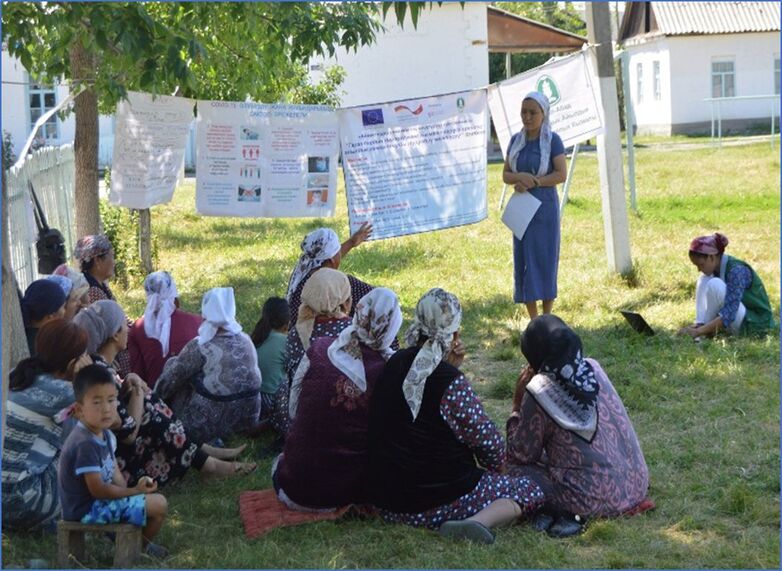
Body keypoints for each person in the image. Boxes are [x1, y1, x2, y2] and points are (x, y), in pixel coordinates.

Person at [368, 288, 544, 544]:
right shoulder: (450, 384)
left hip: (387, 501)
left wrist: (450, 368)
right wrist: (501, 471)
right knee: (531, 489)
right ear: (455, 333)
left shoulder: (394, 363)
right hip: (435, 500)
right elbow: (490, 444)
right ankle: (476, 522)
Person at [74, 300, 255, 486]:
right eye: (123, 325)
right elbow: (128, 433)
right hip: (121, 458)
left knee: (151, 401)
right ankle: (208, 463)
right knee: (150, 409)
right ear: (114, 334)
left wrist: (135, 386)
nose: (127, 329)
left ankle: (204, 454)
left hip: (121, 441)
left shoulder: (101, 365)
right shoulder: (101, 373)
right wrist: (138, 392)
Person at [506, 314, 650, 537]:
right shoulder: (593, 369)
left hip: (592, 500)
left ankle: (547, 510)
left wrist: (516, 405)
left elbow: (520, 454)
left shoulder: (539, 391)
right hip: (636, 483)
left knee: (508, 467)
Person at [273, 288, 403, 510]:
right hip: (345, 491)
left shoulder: (319, 348)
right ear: (392, 326)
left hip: (292, 484)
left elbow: (294, 410)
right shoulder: (390, 371)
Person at [58, 364, 169, 559]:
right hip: (85, 510)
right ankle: (138, 549)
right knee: (159, 504)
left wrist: (134, 491)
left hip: (98, 503)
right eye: (97, 402)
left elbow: (116, 476)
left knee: (150, 502)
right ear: (79, 409)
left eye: (111, 400)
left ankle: (135, 545)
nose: (107, 409)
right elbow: (98, 490)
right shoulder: (84, 443)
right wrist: (134, 493)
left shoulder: (106, 435)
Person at [2, 319, 91, 531]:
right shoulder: (65, 393)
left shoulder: (15, 375)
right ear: (73, 362)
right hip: (19, 501)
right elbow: (109, 421)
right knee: (95, 442)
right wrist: (85, 379)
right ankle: (111, 513)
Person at [155, 288, 262, 444]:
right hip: (249, 418)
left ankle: (203, 436)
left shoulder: (200, 346)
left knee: (175, 366)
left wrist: (155, 399)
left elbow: (171, 379)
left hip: (212, 422)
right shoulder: (245, 339)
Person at [502, 92, 567, 319]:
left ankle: (547, 315)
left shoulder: (553, 140)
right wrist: (520, 177)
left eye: (532, 112)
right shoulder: (516, 141)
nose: (527, 117)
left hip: (544, 207)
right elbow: (506, 174)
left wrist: (536, 181)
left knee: (545, 258)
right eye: (524, 112)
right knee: (525, 259)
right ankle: (533, 319)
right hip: (522, 207)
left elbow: (561, 174)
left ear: (543, 114)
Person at [274, 268, 354, 435]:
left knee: (283, 384)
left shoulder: (298, 329)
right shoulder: (350, 331)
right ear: (342, 300)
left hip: (295, 415)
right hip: (331, 413)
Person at [679, 233, 775, 338]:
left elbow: (729, 314)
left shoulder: (736, 270)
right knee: (704, 279)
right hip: (741, 318)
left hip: (755, 324)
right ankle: (700, 324)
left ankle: (702, 332)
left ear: (711, 257)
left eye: (701, 264)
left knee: (714, 283)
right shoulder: (716, 269)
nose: (698, 269)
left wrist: (699, 332)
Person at [128, 271, 203, 389]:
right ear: (173, 292)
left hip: (157, 399)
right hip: (191, 396)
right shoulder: (197, 322)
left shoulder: (137, 330)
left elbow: (138, 376)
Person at [73, 234, 132, 377]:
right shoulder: (92, 291)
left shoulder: (100, 285)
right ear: (98, 261)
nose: (114, 262)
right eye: (111, 256)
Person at [250, 296, 290, 429]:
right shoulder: (286, 341)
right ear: (287, 323)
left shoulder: (256, 336)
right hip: (272, 399)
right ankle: (272, 420)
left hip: (253, 397)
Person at [20, 279, 67, 355]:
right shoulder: (49, 344)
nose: (65, 311)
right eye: (63, 307)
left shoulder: (21, 333)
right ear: (51, 315)